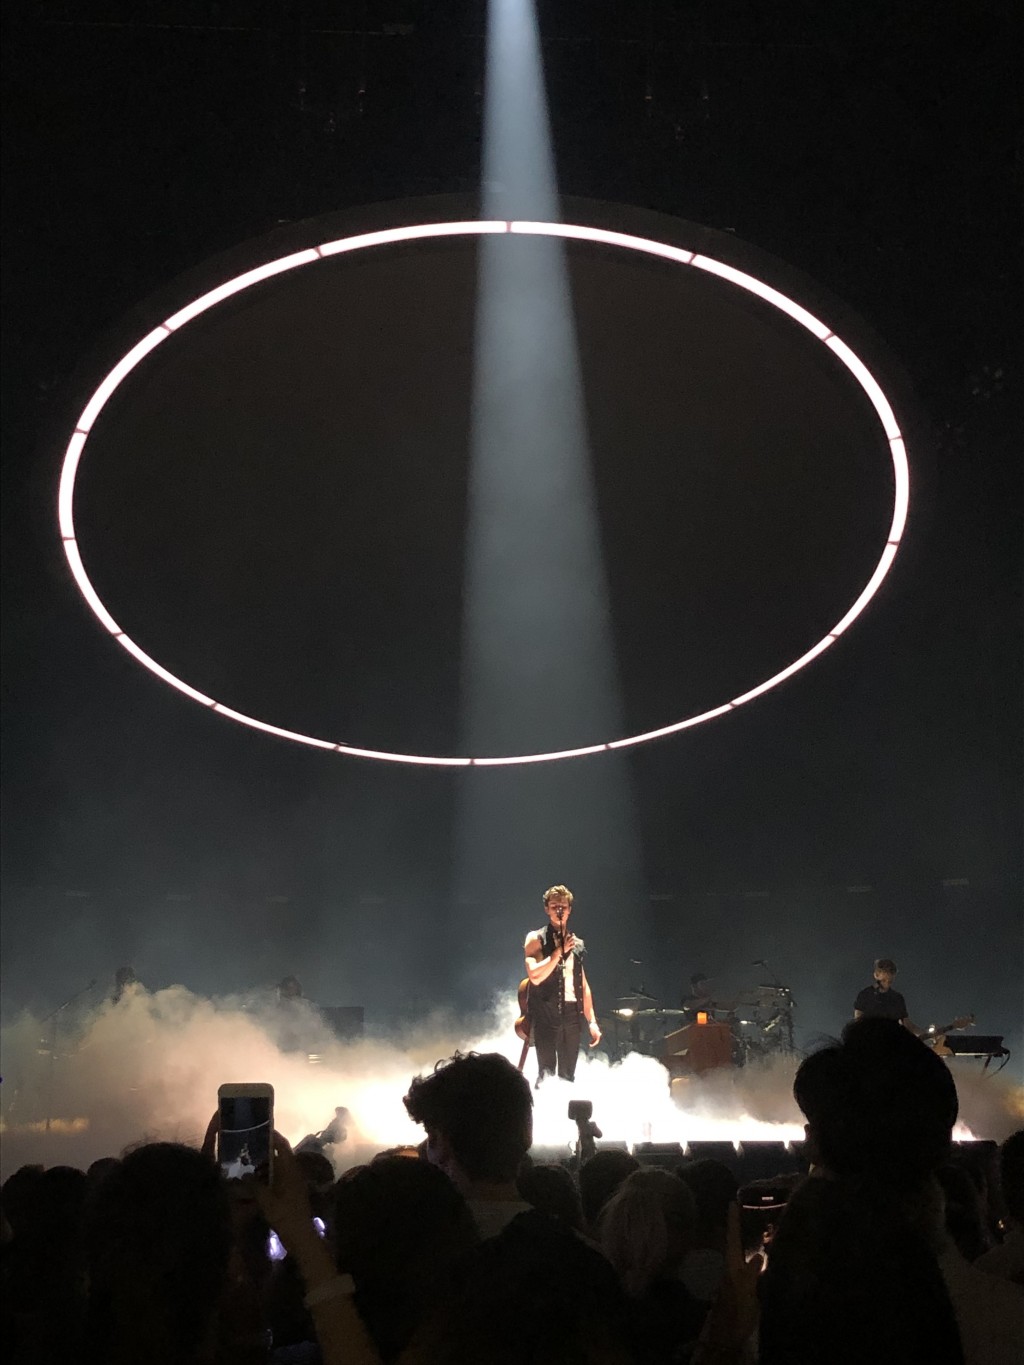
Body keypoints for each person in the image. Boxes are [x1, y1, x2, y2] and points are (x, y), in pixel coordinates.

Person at [402, 1051, 534, 1238]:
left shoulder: (418, 1242)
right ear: (525, 1136)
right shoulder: (566, 1243)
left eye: (431, 1136)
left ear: (442, 1144)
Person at [523, 884, 601, 1083]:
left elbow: (582, 984)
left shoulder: (577, 943)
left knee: (568, 1075)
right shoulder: (536, 938)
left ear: (569, 910)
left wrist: (592, 1021)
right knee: (546, 1073)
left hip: (572, 1013)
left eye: (563, 907)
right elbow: (535, 976)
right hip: (546, 1013)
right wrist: (558, 952)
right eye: (555, 906)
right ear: (547, 909)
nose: (559, 910)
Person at [852, 957, 924, 1034]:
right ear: (876, 975)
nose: (886, 984)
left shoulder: (897, 998)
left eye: (890, 981)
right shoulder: (865, 995)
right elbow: (858, 1021)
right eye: (883, 980)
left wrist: (926, 1034)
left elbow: (907, 1024)